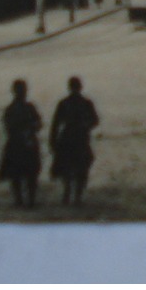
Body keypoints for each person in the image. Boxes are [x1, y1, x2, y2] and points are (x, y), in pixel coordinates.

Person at [49, 76, 100, 206]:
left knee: (71, 167)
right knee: (81, 167)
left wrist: (53, 140)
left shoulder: (64, 103)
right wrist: (86, 125)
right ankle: (76, 194)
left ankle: (70, 192)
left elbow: (55, 124)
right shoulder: (85, 103)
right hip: (79, 139)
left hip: (69, 138)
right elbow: (95, 120)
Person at [0, 79, 42, 208]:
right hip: (23, 143)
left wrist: (31, 129)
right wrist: (28, 130)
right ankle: (25, 199)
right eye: (21, 90)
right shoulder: (22, 108)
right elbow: (37, 123)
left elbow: (38, 123)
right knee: (26, 173)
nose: (23, 93)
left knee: (21, 173)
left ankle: (23, 199)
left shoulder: (15, 109)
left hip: (19, 143)